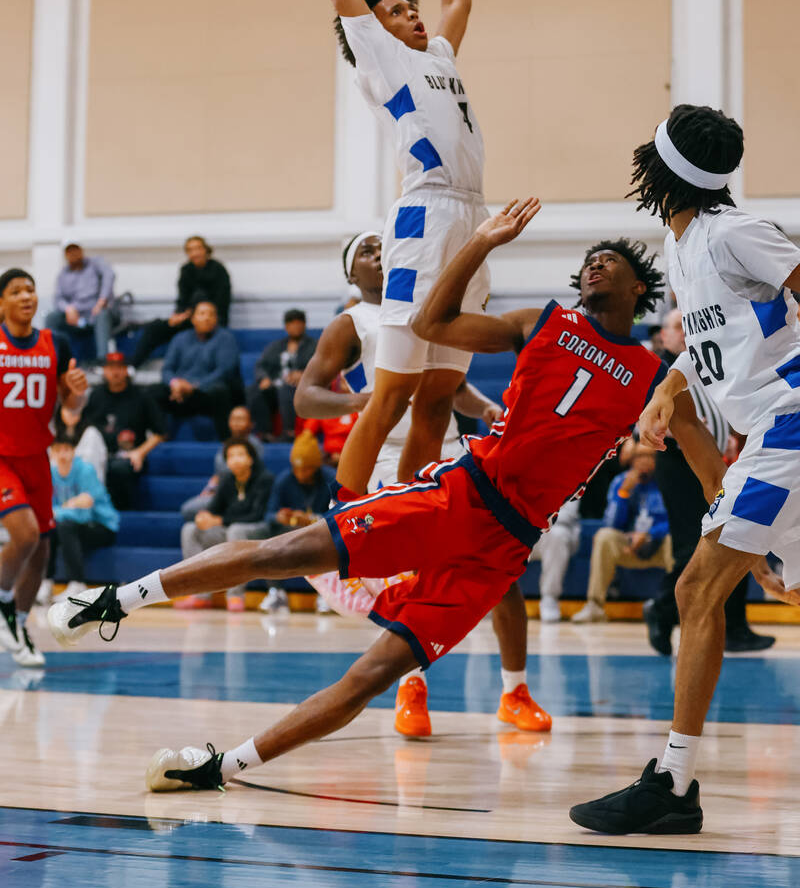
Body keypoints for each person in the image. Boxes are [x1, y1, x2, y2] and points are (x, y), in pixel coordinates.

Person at [49, 197, 725, 795]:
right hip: (460, 491)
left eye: (610, 261)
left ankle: (221, 767)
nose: (595, 266)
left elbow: (710, 475)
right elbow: (433, 323)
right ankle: (113, 599)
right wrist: (481, 242)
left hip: (505, 543)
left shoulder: (654, 378)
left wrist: (742, 536)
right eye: (590, 261)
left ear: (641, 286)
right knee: (283, 551)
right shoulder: (541, 321)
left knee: (373, 674)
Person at [569, 104, 800, 836]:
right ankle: (673, 782)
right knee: (783, 585)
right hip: (764, 433)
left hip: (790, 422)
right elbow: (710, 351)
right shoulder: (685, 249)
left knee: (697, 588)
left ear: (662, 170)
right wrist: (669, 391)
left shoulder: (735, 231)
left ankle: (672, 782)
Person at [271, 0, 489, 497]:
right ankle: (348, 517)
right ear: (374, 29)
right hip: (427, 215)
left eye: (410, 8)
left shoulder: (440, 55)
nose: (411, 15)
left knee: (439, 396)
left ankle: (410, 509)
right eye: (395, 11)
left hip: (472, 220)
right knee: (394, 389)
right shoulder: (380, 56)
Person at [296, 230, 542, 737]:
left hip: (453, 456)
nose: (381, 255)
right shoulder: (351, 323)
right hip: (387, 458)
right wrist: (359, 403)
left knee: (503, 571)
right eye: (367, 251)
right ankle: (411, 690)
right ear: (351, 273)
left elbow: (456, 389)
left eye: (385, 246)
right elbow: (305, 397)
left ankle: (515, 691)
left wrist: (487, 408)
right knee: (410, 581)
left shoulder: (425, 310)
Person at [643, 308, 773, 655]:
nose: (683, 333)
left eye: (685, 326)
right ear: (663, 337)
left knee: (734, 535)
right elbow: (648, 426)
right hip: (677, 462)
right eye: (675, 327)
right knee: (694, 546)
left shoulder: (708, 365)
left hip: (716, 460)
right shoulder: (659, 373)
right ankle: (662, 608)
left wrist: (728, 439)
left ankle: (736, 628)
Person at [0, 267, 87, 668]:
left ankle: (17, 624)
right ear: (2, 302)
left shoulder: (57, 342)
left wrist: (78, 395)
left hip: (36, 456)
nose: (25, 296)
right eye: (16, 291)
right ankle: (2, 605)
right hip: (1, 457)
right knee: (25, 534)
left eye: (31, 290)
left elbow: (69, 413)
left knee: (42, 549)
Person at [571, 441, 672, 623]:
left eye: (648, 456)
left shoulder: (666, 482)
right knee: (604, 537)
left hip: (659, 545)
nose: (643, 461)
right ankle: (595, 606)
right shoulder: (620, 482)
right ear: (631, 460)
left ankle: (677, 609)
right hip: (628, 546)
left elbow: (675, 520)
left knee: (675, 542)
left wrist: (650, 535)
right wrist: (624, 494)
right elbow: (611, 524)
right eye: (639, 456)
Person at [177, 438, 274, 613]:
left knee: (236, 530)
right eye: (231, 456)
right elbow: (214, 508)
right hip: (231, 532)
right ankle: (200, 594)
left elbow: (256, 514)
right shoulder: (227, 479)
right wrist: (204, 517)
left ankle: (235, 595)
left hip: (259, 534)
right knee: (190, 529)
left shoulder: (264, 478)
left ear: (251, 458)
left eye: (240, 454)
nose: (235, 459)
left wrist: (220, 521)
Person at [259, 431, 335, 613]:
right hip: (291, 532)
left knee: (337, 537)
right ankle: (276, 592)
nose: (300, 473)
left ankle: (326, 595)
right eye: (296, 467)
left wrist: (313, 519)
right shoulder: (284, 479)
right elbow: (269, 514)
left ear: (316, 466)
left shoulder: (331, 478)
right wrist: (279, 516)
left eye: (306, 468)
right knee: (270, 535)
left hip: (323, 532)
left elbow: (341, 514)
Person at [82, 352, 167, 510]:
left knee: (119, 470)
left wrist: (140, 452)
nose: (115, 372)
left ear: (127, 371)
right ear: (104, 371)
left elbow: (160, 432)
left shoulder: (141, 396)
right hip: (98, 453)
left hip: (129, 456)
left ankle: (122, 515)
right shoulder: (96, 395)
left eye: (120, 368)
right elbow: (85, 426)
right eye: (111, 368)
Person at [132, 237, 232, 369]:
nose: (195, 253)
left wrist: (196, 314)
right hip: (189, 319)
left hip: (212, 320)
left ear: (206, 250)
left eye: (198, 248)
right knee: (155, 327)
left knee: (200, 300)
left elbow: (221, 304)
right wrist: (178, 315)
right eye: (190, 250)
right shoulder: (186, 270)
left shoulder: (219, 270)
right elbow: (182, 300)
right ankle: (132, 365)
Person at [151, 300, 242, 439]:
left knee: (220, 391)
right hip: (180, 393)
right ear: (193, 319)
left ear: (216, 319)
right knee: (152, 392)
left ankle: (226, 442)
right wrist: (175, 383)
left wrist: (194, 386)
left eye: (211, 314)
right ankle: (160, 437)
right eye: (202, 314)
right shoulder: (179, 338)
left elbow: (224, 371)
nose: (207, 318)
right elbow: (167, 368)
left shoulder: (226, 338)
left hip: (206, 394)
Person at [44, 436, 119, 598]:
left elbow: (85, 514)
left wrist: (60, 511)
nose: (62, 455)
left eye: (66, 450)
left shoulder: (85, 470)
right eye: (58, 450)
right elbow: (47, 509)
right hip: (71, 524)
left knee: (64, 525)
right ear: (52, 453)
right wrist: (68, 506)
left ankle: (77, 583)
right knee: (49, 527)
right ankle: (46, 581)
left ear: (73, 451)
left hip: (102, 525)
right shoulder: (50, 473)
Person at [181, 406, 265, 521]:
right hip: (221, 492)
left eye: (241, 419)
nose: (236, 423)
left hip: (241, 492)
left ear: (251, 424)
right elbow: (217, 475)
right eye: (233, 419)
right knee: (189, 510)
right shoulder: (226, 444)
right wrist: (208, 490)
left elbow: (253, 473)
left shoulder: (254, 446)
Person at [247, 309, 317, 440]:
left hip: (300, 388)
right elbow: (261, 365)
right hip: (275, 385)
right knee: (254, 390)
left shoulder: (314, 345)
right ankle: (264, 433)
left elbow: (322, 367)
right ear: (286, 326)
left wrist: (304, 375)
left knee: (286, 389)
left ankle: (289, 432)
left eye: (299, 323)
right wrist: (264, 378)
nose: (295, 327)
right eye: (292, 323)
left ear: (304, 325)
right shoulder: (276, 346)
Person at [45, 243, 116, 362]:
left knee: (102, 315)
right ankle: (52, 358)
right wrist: (68, 309)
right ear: (65, 255)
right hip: (74, 316)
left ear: (81, 251)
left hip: (94, 312)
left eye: (75, 250)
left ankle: (102, 361)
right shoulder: (63, 275)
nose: (73, 254)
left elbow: (110, 275)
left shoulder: (95, 264)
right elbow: (58, 299)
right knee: (52, 317)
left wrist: (101, 300)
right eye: (69, 251)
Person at [531, 494, 581, 623]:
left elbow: (566, 516)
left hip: (556, 529)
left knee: (557, 535)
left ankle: (550, 598)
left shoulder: (569, 475)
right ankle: (489, 598)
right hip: (524, 528)